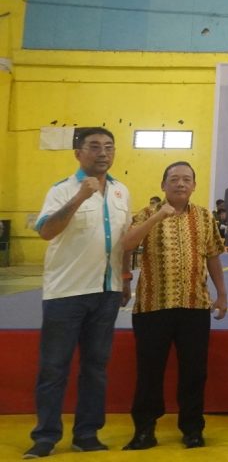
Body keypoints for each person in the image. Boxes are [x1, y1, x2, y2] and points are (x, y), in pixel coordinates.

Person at [24, 128, 133, 459]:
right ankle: (45, 436)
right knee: (54, 367)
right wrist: (79, 198)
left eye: (109, 147)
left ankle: (87, 433)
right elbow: (46, 231)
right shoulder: (61, 190)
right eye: (95, 146)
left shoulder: (121, 192)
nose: (103, 153)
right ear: (78, 153)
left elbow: (125, 239)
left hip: (107, 292)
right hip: (66, 295)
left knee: (96, 367)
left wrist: (126, 278)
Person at [120, 162, 228, 450]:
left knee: (194, 371)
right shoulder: (145, 214)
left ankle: (192, 428)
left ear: (194, 186)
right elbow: (126, 244)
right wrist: (156, 218)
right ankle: (144, 430)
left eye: (187, 180)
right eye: (174, 179)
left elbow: (214, 255)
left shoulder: (205, 217)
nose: (180, 184)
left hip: (194, 306)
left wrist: (222, 294)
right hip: (153, 306)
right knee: (149, 372)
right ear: (163, 185)